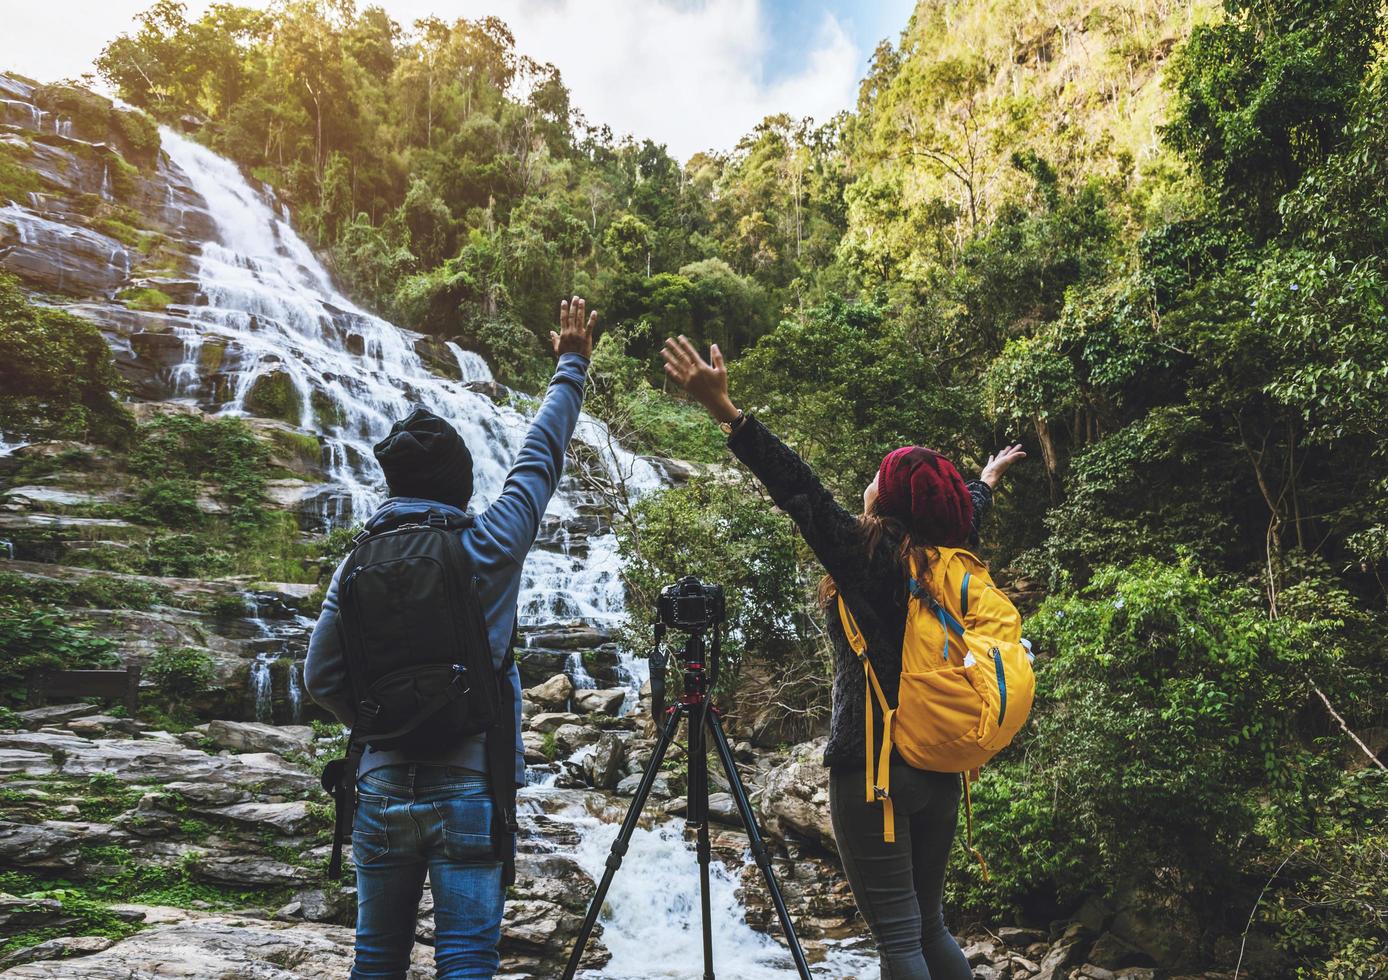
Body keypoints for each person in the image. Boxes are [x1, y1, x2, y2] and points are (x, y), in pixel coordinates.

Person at [660, 335, 1025, 980]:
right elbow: (961, 511)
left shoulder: (862, 557)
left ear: (883, 503)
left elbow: (796, 488)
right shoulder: (945, 557)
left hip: (872, 771)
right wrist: (985, 480)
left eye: (877, 479)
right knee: (930, 927)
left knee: (899, 943)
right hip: (938, 769)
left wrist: (727, 412)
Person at [305, 297, 597, 980]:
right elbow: (538, 458)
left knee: (376, 958)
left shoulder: (357, 560)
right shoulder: (487, 543)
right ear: (461, 486)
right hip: (469, 782)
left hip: (378, 786)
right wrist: (571, 365)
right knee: (466, 957)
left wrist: (378, 724)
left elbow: (320, 677)